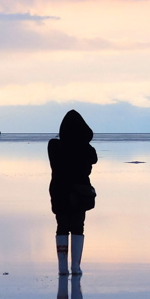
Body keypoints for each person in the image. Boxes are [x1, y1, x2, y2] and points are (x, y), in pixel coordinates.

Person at [48, 110, 97, 275]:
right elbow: (93, 159)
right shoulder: (85, 149)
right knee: (78, 227)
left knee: (61, 226)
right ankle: (75, 267)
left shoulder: (54, 146)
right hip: (79, 191)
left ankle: (62, 268)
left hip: (59, 190)